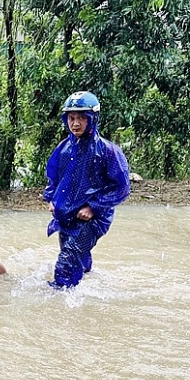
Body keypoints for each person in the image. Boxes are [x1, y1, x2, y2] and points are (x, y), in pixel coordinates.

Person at [44, 91, 130, 288]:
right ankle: (86, 288)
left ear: (93, 119)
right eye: (71, 118)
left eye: (82, 118)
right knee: (76, 258)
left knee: (66, 262)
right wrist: (51, 199)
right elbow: (54, 177)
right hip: (67, 216)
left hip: (94, 218)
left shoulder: (108, 151)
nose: (75, 123)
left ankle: (58, 303)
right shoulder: (64, 147)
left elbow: (122, 187)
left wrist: (93, 207)